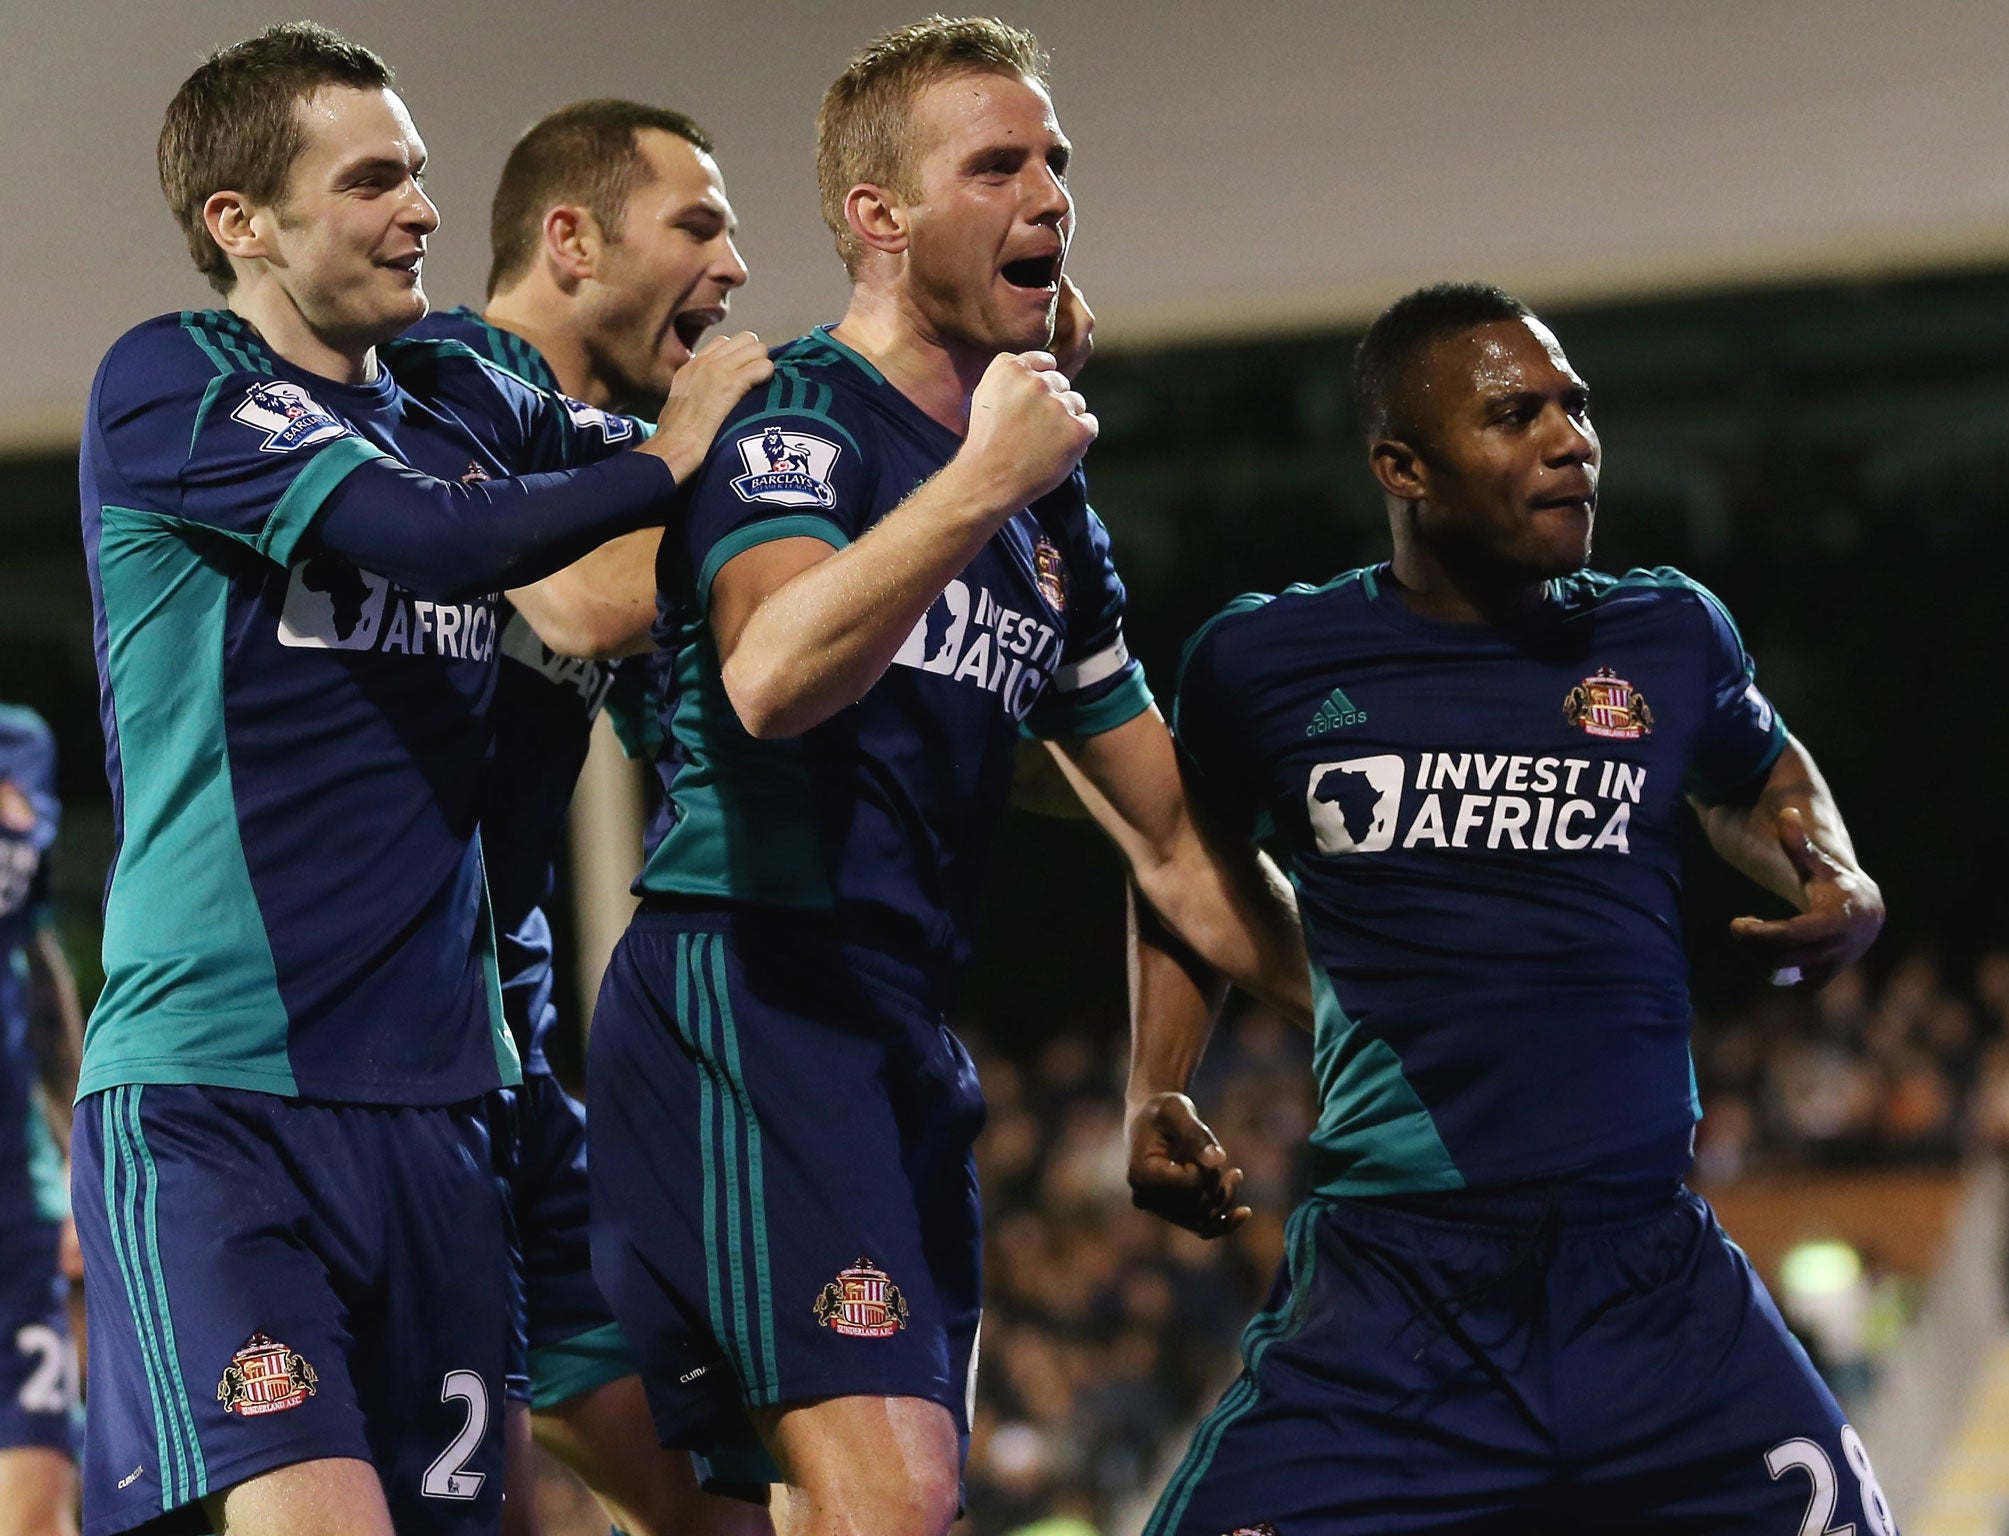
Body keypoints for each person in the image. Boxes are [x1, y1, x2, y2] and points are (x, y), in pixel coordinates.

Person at [582, 17, 1308, 1536]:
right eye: (995, 164)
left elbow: (1168, 836)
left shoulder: (1050, 519)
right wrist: (985, 477)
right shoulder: (794, 420)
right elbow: (772, 678)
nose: (1046, 194)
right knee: (892, 1508)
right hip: (751, 989)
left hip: (902, 1029)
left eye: (1054, 162)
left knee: (875, 1512)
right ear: (876, 217)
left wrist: (1395, 1011)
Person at [75, 24, 767, 1536]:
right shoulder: (171, 384)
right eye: (375, 179)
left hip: (450, 1110)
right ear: (239, 223)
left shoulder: (456, 400)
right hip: (222, 1096)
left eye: (422, 175)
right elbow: (450, 542)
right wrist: (669, 457)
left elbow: (713, 465)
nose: (421, 212)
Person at [1128, 282, 1897, 1534]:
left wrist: (1836, 873)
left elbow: (1761, 778)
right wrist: (1155, 1082)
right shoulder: (1262, 663)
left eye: (1575, 406)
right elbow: (1178, 863)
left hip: (1651, 1282)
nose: (1569, 438)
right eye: (1513, 414)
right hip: (1397, 1299)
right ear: (1403, 464)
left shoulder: (1666, 632)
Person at [409, 100, 767, 1536]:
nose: (734, 265)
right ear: (569, 241)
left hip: (510, 1058)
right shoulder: (431, 377)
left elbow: (708, 706)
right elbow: (577, 595)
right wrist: (715, 465)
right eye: (698, 223)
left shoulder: (627, 451)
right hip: (364, 1073)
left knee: (713, 1506)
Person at [0, 704, 85, 1536]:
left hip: (14, 1201)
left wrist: (75, 1155)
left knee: (36, 1514)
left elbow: (39, 959)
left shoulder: (22, 741)